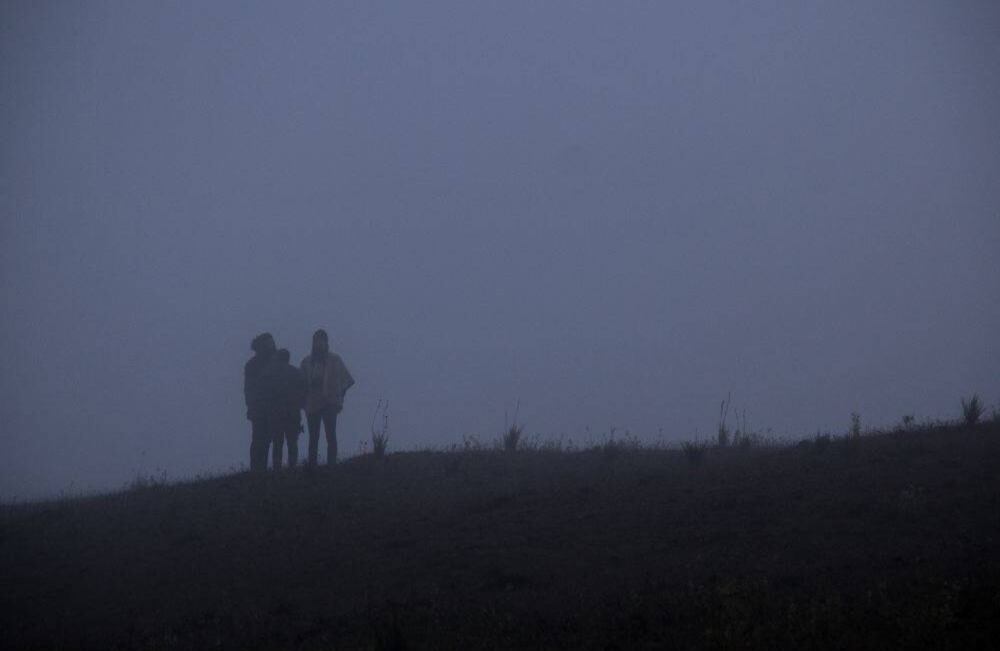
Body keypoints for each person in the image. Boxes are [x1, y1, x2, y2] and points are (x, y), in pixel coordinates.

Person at [301, 329, 354, 465]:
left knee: (330, 435)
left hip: (329, 403)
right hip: (312, 403)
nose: (319, 344)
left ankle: (331, 465)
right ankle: (312, 466)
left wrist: (339, 396)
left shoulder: (335, 360)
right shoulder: (306, 362)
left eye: (322, 341)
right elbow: (300, 383)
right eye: (317, 341)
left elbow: (346, 380)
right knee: (313, 437)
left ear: (326, 343)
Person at [244, 332, 277, 472]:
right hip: (260, 408)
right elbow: (249, 388)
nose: (273, 345)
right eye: (270, 342)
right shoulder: (253, 365)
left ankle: (259, 470)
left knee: (266, 439)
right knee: (259, 440)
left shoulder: (274, 361)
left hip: (270, 407)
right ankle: (257, 469)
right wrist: (251, 405)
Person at [268, 348, 306, 469]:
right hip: (293, 413)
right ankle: (292, 467)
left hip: (277, 414)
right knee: (292, 443)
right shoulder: (296, 372)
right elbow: (304, 390)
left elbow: (268, 393)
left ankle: (276, 468)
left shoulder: (272, 374)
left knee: (277, 443)